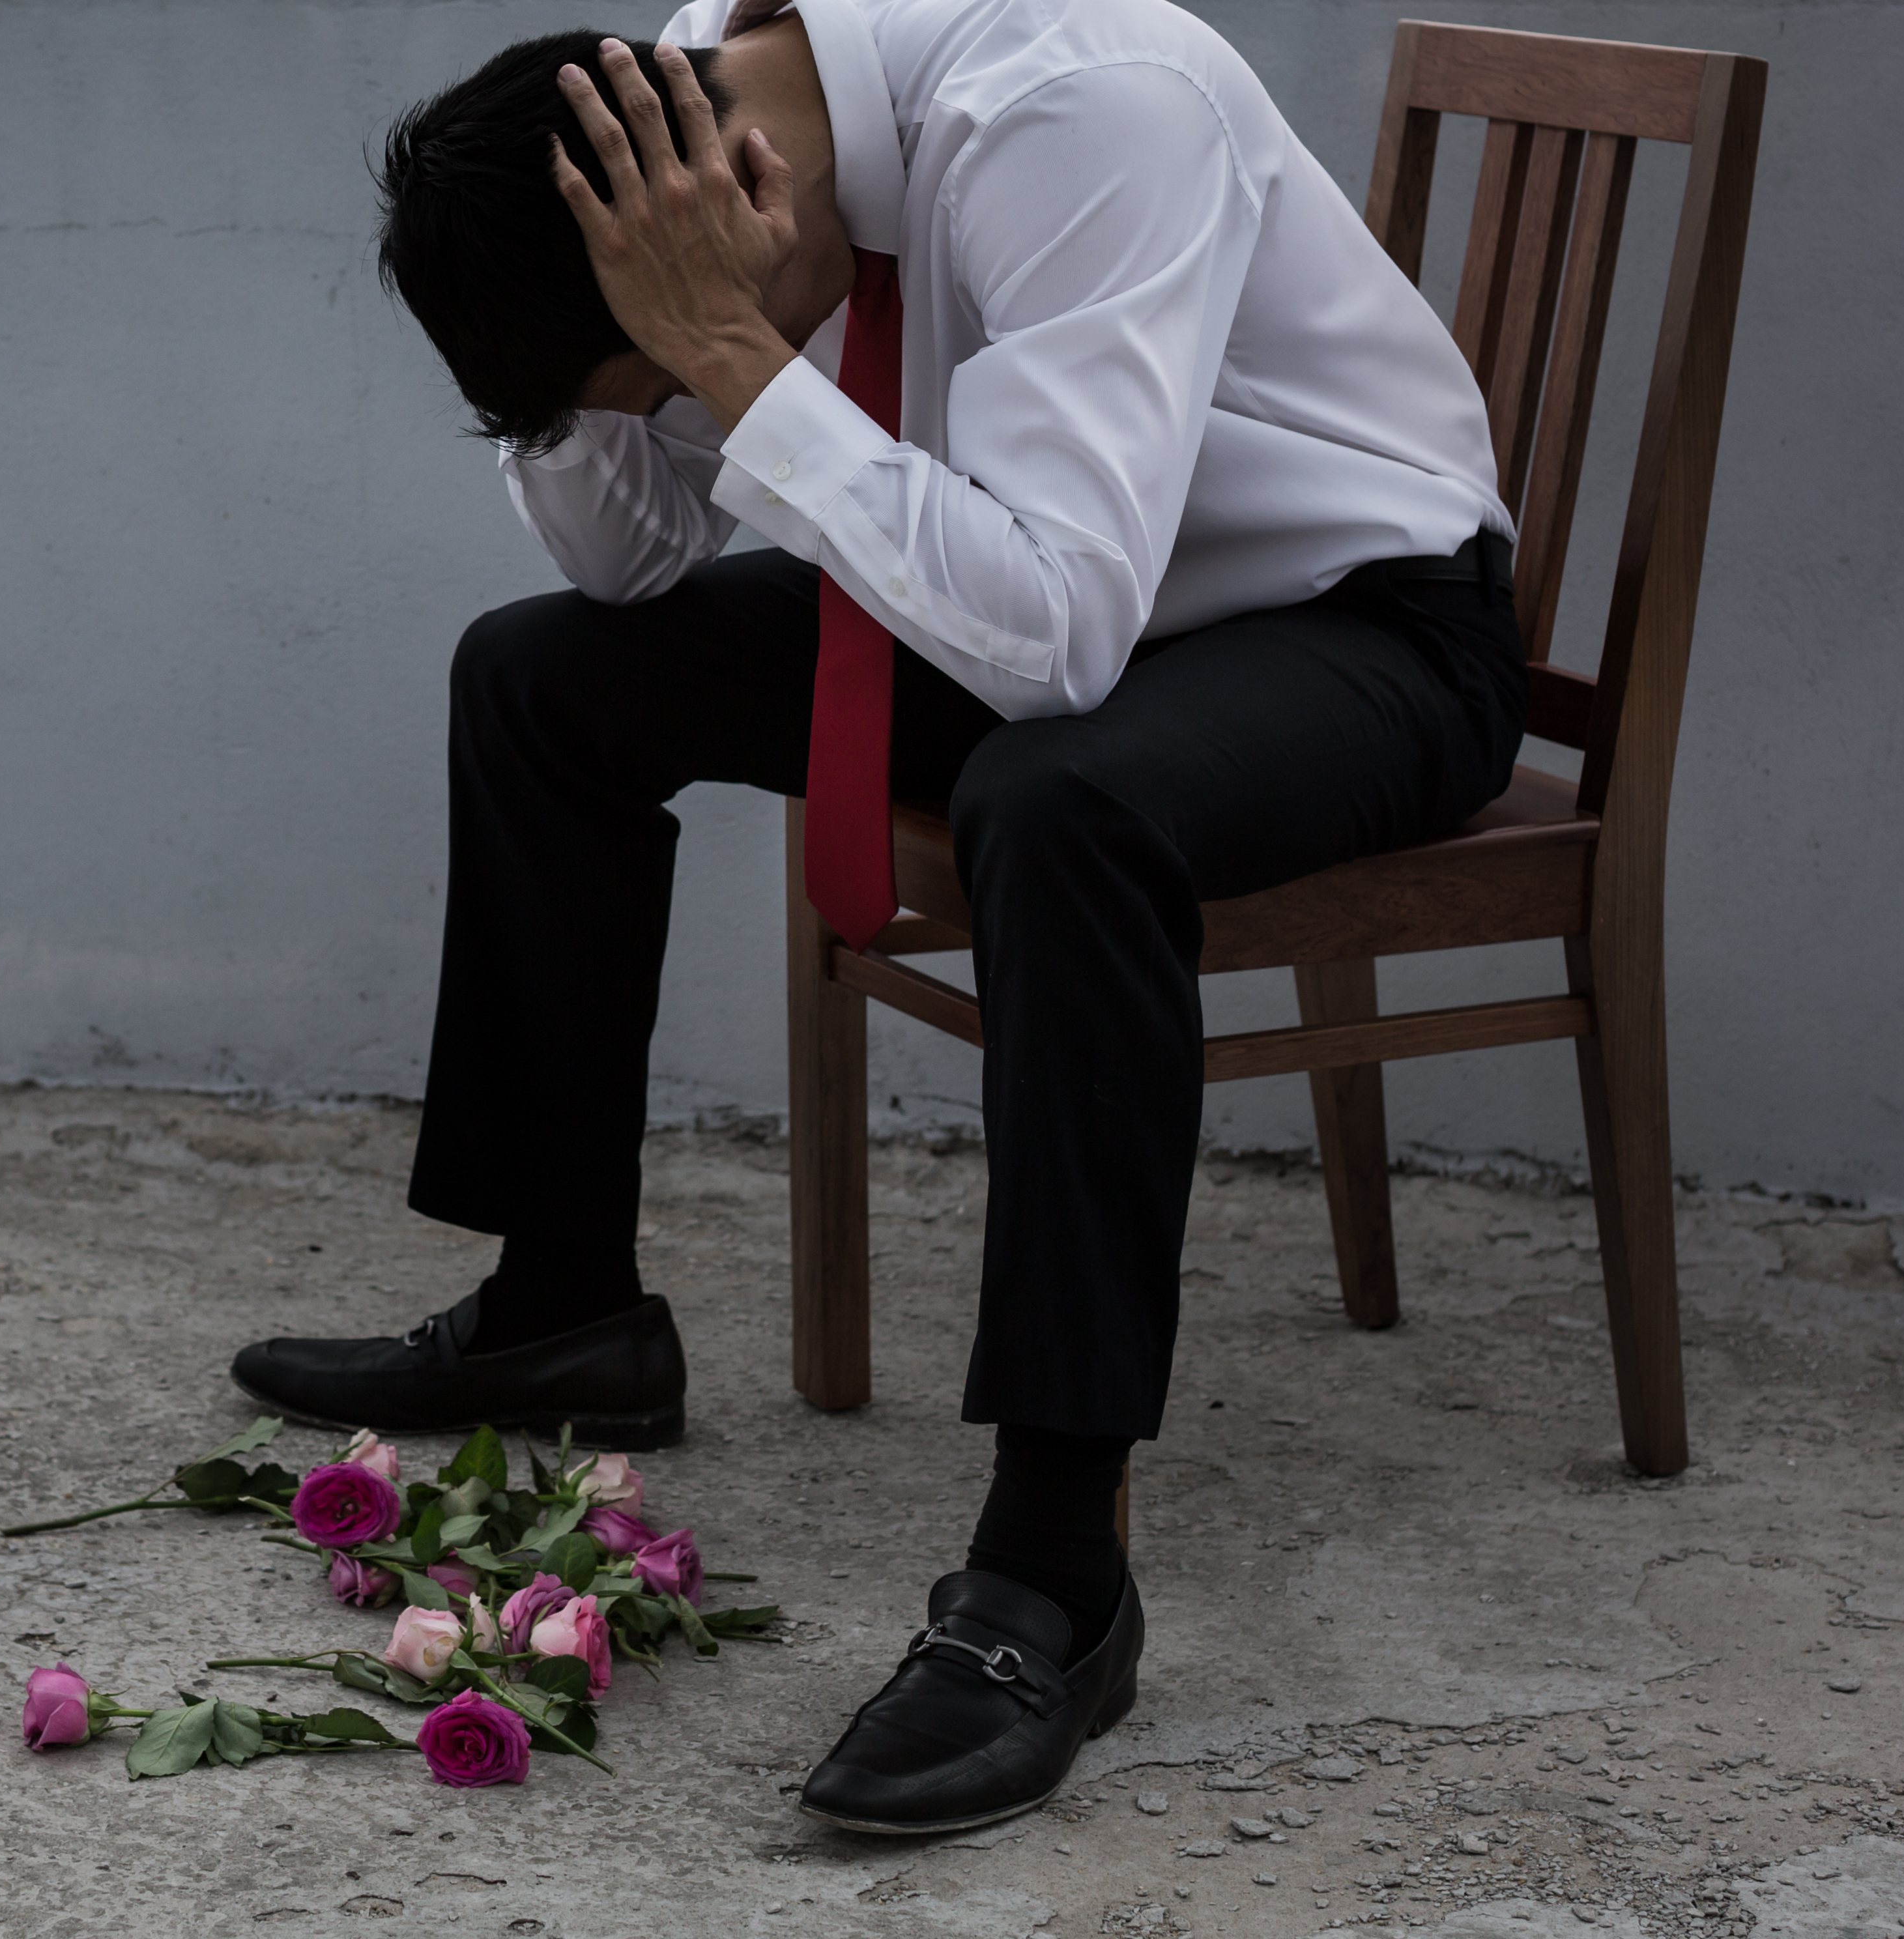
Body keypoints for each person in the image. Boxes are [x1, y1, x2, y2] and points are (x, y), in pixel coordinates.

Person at [232, 0, 1523, 1833]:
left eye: (663, 372)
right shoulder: (682, 106)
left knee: (1058, 803)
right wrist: (642, 363)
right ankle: (566, 1305)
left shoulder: (1087, 113)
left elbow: (1063, 636)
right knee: (541, 677)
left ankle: (1055, 1578)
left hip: (1351, 619)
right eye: (662, 382)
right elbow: (633, 563)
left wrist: (730, 360)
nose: (681, 394)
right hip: (1026, 573)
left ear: (747, 185)